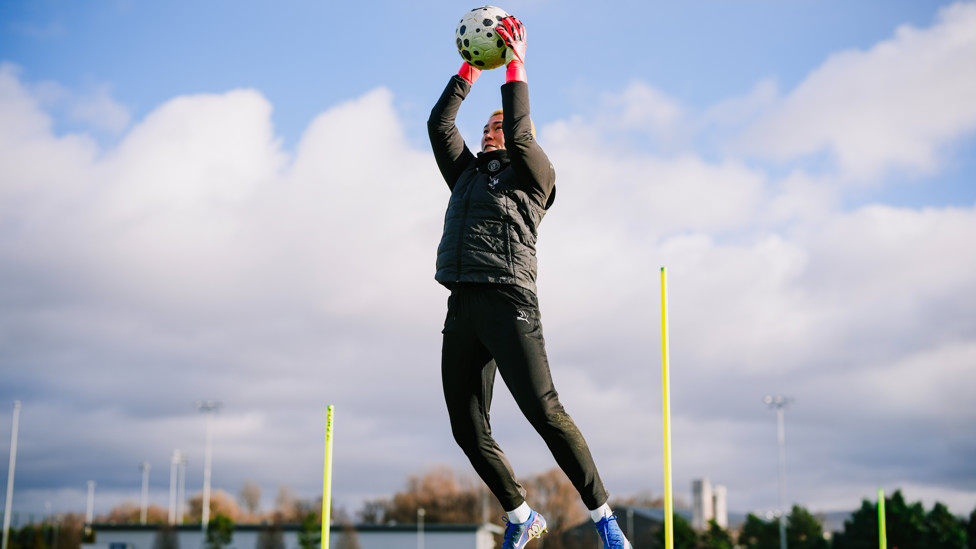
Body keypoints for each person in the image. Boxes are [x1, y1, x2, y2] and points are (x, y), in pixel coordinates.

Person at [427, 15, 633, 549]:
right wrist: (469, 70)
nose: (488, 132)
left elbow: (520, 131)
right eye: (485, 128)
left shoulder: (534, 173)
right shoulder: (466, 175)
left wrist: (514, 63)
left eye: (496, 126)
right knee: (466, 427)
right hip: (462, 303)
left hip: (509, 299)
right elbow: (439, 125)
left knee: (544, 412)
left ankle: (605, 519)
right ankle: (520, 515)